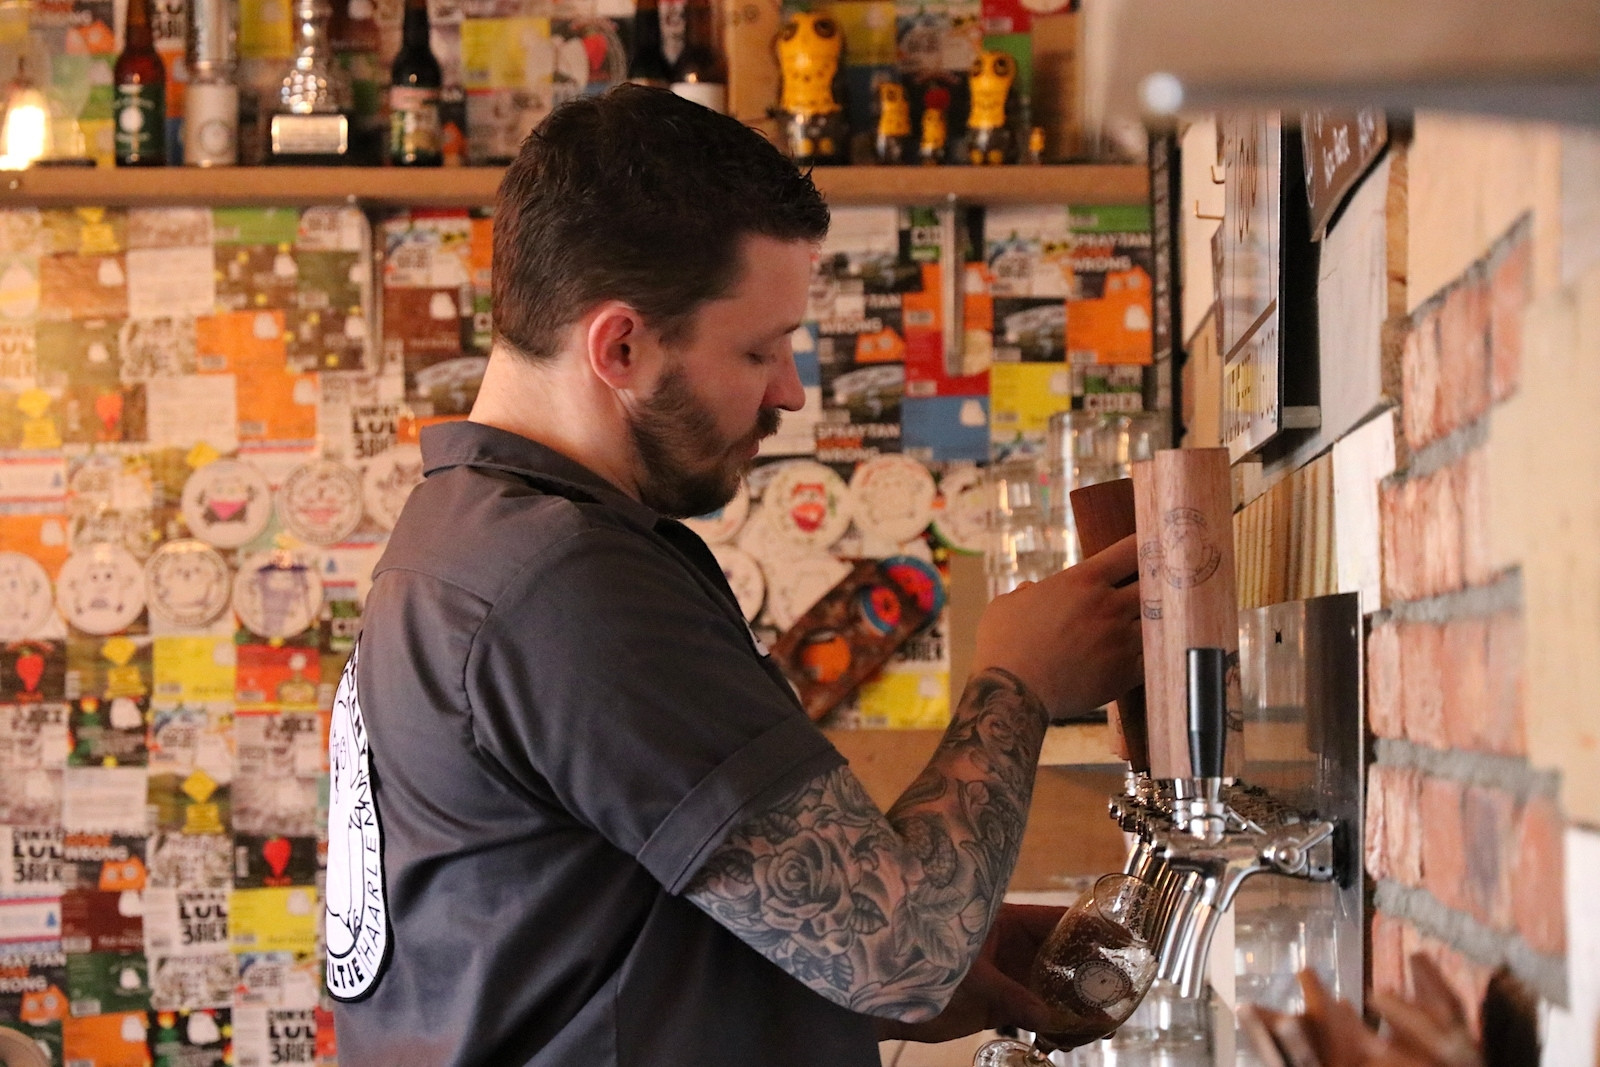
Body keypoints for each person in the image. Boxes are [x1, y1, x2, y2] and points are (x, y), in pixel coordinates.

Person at [324, 84, 1143, 1067]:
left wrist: (952, 942)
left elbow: (598, 942)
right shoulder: (565, 587)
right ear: (620, 345)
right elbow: (900, 955)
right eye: (760, 348)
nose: (790, 391)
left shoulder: (467, 541)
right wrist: (1019, 680)